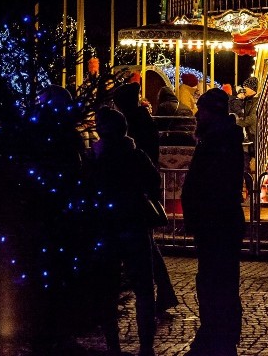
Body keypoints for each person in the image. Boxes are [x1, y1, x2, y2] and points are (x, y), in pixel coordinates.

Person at [89, 108, 161, 356]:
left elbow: (88, 189)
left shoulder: (97, 158)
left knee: (107, 289)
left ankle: (113, 345)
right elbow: (154, 183)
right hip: (135, 226)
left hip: (107, 228)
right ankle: (146, 345)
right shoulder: (136, 156)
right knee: (143, 287)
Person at [181, 88, 246, 356]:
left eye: (202, 109)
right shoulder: (222, 138)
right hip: (220, 219)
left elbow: (208, 183)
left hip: (215, 220)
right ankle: (221, 330)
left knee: (214, 278)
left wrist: (197, 211)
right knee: (221, 277)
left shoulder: (216, 141)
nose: (197, 114)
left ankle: (216, 331)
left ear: (211, 112)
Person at [112, 83, 179, 319]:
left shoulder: (133, 125)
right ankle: (163, 293)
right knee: (147, 247)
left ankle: (156, 294)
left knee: (145, 248)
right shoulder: (142, 121)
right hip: (140, 192)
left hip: (135, 196)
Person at [235, 76, 259, 144]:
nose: (244, 89)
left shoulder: (257, 101)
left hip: (255, 133)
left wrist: (236, 122)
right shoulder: (246, 99)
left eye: (245, 87)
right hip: (249, 133)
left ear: (251, 89)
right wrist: (239, 99)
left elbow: (253, 118)